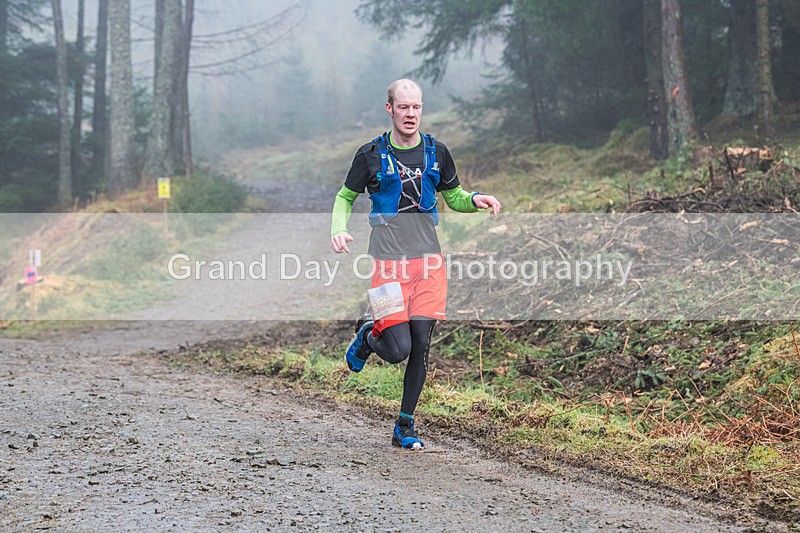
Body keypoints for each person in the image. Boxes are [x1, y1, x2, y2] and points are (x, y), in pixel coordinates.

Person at [330, 79, 501, 449]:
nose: (410, 114)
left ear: (422, 109)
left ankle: (404, 426)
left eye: (416, 107)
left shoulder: (437, 152)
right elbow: (345, 197)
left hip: (428, 265)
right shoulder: (370, 154)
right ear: (390, 109)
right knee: (397, 350)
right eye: (403, 107)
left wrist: (475, 199)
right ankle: (368, 336)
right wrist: (339, 229)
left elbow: (453, 196)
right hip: (387, 266)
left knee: (421, 343)